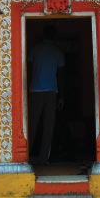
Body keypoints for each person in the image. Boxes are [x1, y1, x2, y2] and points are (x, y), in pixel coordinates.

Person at [27, 24, 65, 164]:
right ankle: (43, 158)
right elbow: (61, 76)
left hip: (35, 91)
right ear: (54, 36)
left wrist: (25, 90)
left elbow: (28, 71)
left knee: (32, 124)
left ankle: (26, 154)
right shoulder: (57, 52)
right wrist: (61, 96)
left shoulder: (35, 50)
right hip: (51, 92)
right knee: (48, 126)